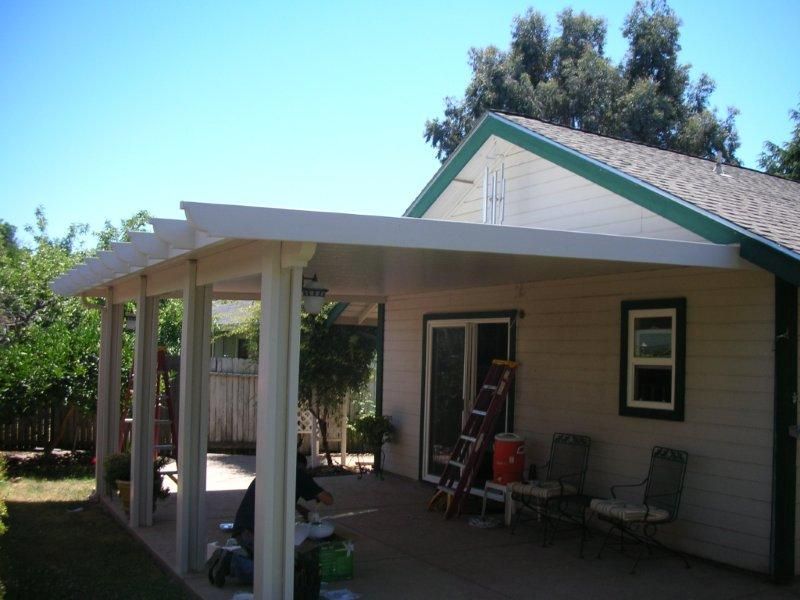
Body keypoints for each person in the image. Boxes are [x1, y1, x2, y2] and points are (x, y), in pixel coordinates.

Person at [207, 454, 334, 587]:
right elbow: (329, 500)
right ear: (301, 467)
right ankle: (233, 562)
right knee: (277, 577)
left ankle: (236, 555)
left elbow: (286, 499)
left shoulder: (270, 472)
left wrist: (304, 512)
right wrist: (314, 489)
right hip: (256, 534)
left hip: (243, 530)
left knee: (271, 563)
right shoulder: (299, 475)